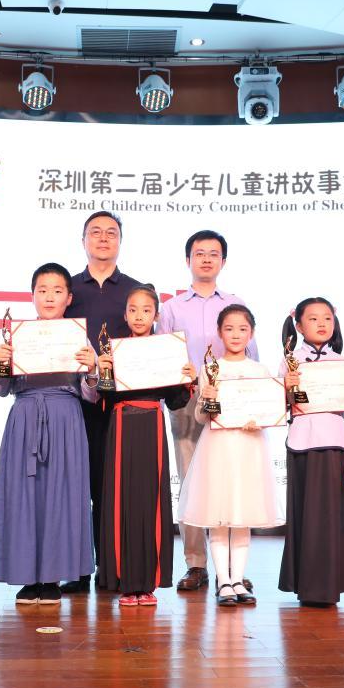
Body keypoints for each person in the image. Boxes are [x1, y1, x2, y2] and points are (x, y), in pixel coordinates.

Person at [0, 263, 99, 605]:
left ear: (69, 298)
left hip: (65, 418)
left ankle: (52, 577)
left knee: (62, 497)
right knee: (24, 496)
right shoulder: (16, 336)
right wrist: (1, 362)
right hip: (25, 416)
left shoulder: (79, 337)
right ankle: (27, 577)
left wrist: (92, 369)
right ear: (33, 295)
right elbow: (0, 389)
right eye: (42, 290)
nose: (49, 297)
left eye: (57, 290)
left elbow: (92, 394)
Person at [158, 230, 258, 593]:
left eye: (213, 254)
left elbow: (253, 357)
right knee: (191, 483)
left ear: (223, 261)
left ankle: (230, 568)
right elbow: (161, 357)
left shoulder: (235, 303)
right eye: (199, 253)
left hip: (231, 408)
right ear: (188, 260)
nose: (206, 259)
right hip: (188, 403)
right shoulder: (171, 308)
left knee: (232, 481)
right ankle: (196, 563)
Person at [95, 284, 195, 607]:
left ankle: (147, 584)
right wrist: (103, 370)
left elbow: (176, 400)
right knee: (121, 499)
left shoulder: (166, 349)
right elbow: (104, 397)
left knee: (151, 500)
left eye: (146, 310)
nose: (139, 316)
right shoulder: (115, 348)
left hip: (152, 423)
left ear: (156, 315)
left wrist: (186, 379)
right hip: (121, 424)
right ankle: (125, 582)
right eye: (133, 310)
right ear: (125, 314)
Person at [177, 304, 281, 607]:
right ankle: (223, 581)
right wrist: (205, 400)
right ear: (220, 333)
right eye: (229, 328)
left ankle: (238, 579)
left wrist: (260, 420)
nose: (236, 334)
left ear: (252, 333)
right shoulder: (211, 368)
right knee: (219, 516)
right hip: (218, 447)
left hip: (249, 447)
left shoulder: (260, 371)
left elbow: (270, 411)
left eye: (242, 329)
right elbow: (200, 417)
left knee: (243, 517)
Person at [63, 210, 140, 593]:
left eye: (111, 232)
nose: (104, 238)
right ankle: (79, 567)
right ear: (83, 241)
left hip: (123, 404)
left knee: (115, 487)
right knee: (79, 485)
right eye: (96, 232)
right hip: (75, 402)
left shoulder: (135, 291)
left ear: (120, 242)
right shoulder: (68, 290)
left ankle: (112, 566)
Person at [278, 298, 344, 606]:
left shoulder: (343, 363)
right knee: (306, 515)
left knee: (334, 517)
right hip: (302, 443)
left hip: (335, 443)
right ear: (299, 326)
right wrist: (285, 388)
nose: (321, 324)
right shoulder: (291, 362)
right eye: (313, 319)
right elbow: (280, 406)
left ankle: (332, 585)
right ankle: (307, 585)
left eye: (327, 318)